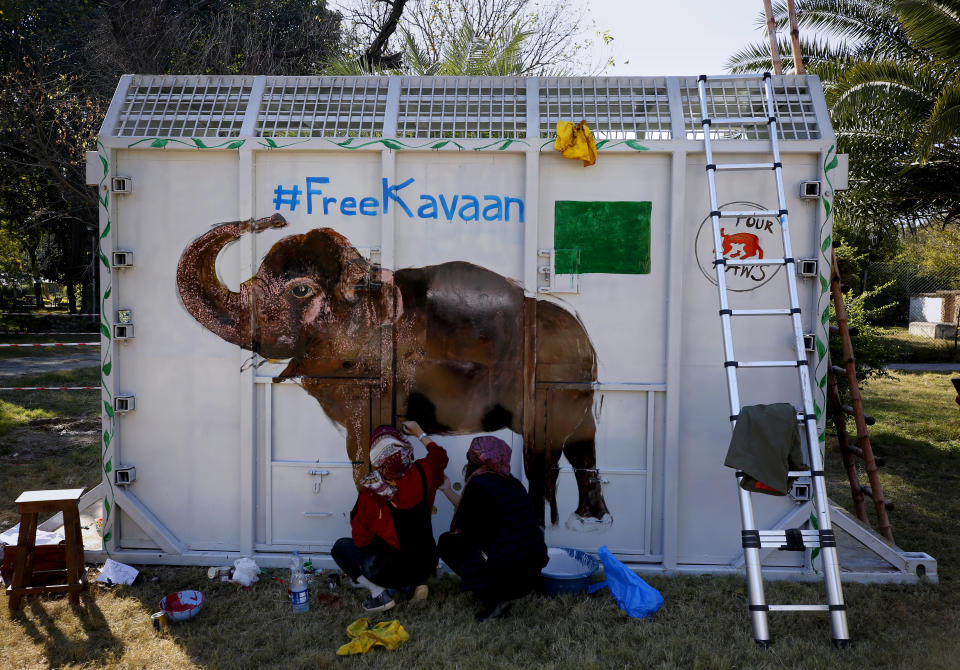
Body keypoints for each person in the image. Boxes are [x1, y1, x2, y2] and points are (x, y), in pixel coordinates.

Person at [332, 421, 448, 612]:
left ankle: (379, 593)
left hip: (391, 570)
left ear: (377, 458)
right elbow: (440, 456)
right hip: (425, 562)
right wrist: (419, 432)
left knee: (341, 548)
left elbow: (361, 541)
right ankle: (417, 584)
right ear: (404, 447)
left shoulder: (372, 492)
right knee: (412, 550)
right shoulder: (424, 471)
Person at [436, 435, 548, 621]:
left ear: (473, 459)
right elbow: (471, 512)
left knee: (448, 542)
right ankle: (494, 586)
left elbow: (468, 531)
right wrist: (448, 489)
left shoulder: (479, 484)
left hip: (508, 574)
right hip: (533, 569)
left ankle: (494, 597)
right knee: (496, 544)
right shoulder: (513, 482)